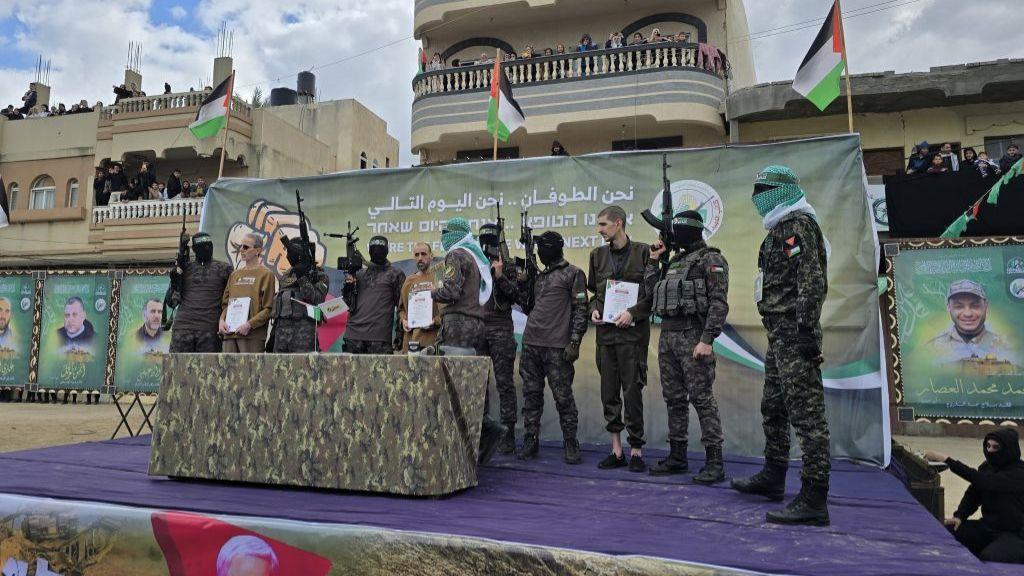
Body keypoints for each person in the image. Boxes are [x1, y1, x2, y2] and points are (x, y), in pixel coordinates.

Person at [731, 165, 831, 526]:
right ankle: (774, 476)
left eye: (765, 189)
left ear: (785, 190)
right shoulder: (778, 229)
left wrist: (806, 331)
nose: (759, 196)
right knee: (773, 407)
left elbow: (812, 282)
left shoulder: (797, 227)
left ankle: (815, 496)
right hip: (779, 335)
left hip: (795, 333)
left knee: (807, 415)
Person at [644, 211, 729, 484]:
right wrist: (653, 263)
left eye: (678, 229)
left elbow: (718, 302)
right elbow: (653, 294)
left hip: (693, 335)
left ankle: (714, 461)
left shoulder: (711, 259)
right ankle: (678, 456)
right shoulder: (674, 262)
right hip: (668, 335)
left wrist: (707, 339)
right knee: (674, 399)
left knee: (702, 399)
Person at [431, 217, 505, 464]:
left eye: (446, 232)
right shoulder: (474, 257)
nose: (443, 237)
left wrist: (427, 293)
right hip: (475, 324)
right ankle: (480, 433)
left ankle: (478, 435)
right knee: (469, 381)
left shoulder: (456, 255)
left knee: (454, 383)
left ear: (456, 234)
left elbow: (450, 291)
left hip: (458, 325)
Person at [587, 206, 652, 472]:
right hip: (606, 337)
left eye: (603, 224)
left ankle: (636, 450)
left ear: (618, 223)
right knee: (609, 394)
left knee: (633, 392)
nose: (600, 230)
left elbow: (652, 295)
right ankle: (616, 451)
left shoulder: (643, 252)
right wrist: (592, 309)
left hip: (632, 337)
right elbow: (593, 294)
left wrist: (632, 313)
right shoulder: (597, 256)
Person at [517, 231, 588, 464]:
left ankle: (570, 442)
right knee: (531, 396)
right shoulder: (539, 276)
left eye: (541, 248)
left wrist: (575, 342)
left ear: (552, 249)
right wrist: (523, 281)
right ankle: (531, 439)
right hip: (531, 344)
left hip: (557, 347)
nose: (538, 253)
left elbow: (580, 310)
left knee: (563, 397)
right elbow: (528, 307)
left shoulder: (573, 273)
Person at [927, 428, 1024, 564]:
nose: (990, 451)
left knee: (989, 557)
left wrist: (947, 460)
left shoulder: (1019, 472)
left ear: (1008, 449)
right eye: (988, 446)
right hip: (987, 527)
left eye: (996, 447)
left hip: (1015, 534)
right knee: (946, 533)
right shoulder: (987, 467)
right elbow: (973, 494)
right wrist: (960, 516)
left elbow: (986, 482)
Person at [477, 222, 522, 454]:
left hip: (501, 328)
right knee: (479, 384)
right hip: (478, 329)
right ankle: (482, 432)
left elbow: (517, 296)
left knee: (504, 383)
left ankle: (508, 433)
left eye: (489, 240)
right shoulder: (474, 264)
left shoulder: (509, 264)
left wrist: (500, 275)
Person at [924, 279, 1018, 367]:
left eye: (975, 306)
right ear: (948, 308)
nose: (968, 313)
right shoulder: (931, 349)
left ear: (986, 306)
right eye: (959, 306)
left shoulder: (1006, 348)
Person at [168, 232, 233, 353]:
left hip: (210, 330)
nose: (207, 249)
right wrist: (175, 278)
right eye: (202, 246)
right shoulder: (184, 268)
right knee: (177, 369)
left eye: (209, 245)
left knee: (209, 370)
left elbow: (232, 300)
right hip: (183, 329)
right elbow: (171, 302)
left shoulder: (225, 269)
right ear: (194, 249)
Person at [342, 236, 405, 354]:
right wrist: (348, 285)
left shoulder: (395, 274)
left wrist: (399, 335)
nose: (377, 252)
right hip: (354, 337)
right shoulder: (358, 274)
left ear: (386, 251)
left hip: (380, 339)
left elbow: (402, 307)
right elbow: (348, 302)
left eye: (380, 249)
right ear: (369, 251)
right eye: (374, 249)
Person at [268, 238, 329, 353]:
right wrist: (273, 336)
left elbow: (315, 299)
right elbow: (282, 306)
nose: (288, 256)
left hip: (303, 335)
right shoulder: (286, 277)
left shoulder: (319, 276)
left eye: (292, 253)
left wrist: (302, 278)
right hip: (281, 336)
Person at [219, 233, 276, 353]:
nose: (241, 250)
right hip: (229, 335)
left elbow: (268, 308)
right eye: (240, 246)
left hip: (252, 336)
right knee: (227, 370)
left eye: (245, 247)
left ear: (257, 250)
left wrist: (249, 325)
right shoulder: (235, 275)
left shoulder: (266, 274)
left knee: (250, 371)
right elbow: (226, 305)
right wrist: (221, 321)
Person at [397, 242, 442, 352]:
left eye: (423, 254)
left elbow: (446, 309)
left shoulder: (438, 277)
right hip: (411, 341)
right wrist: (403, 321)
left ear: (431, 256)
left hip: (432, 342)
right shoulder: (409, 280)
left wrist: (435, 321)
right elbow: (401, 309)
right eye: (417, 255)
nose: (420, 258)